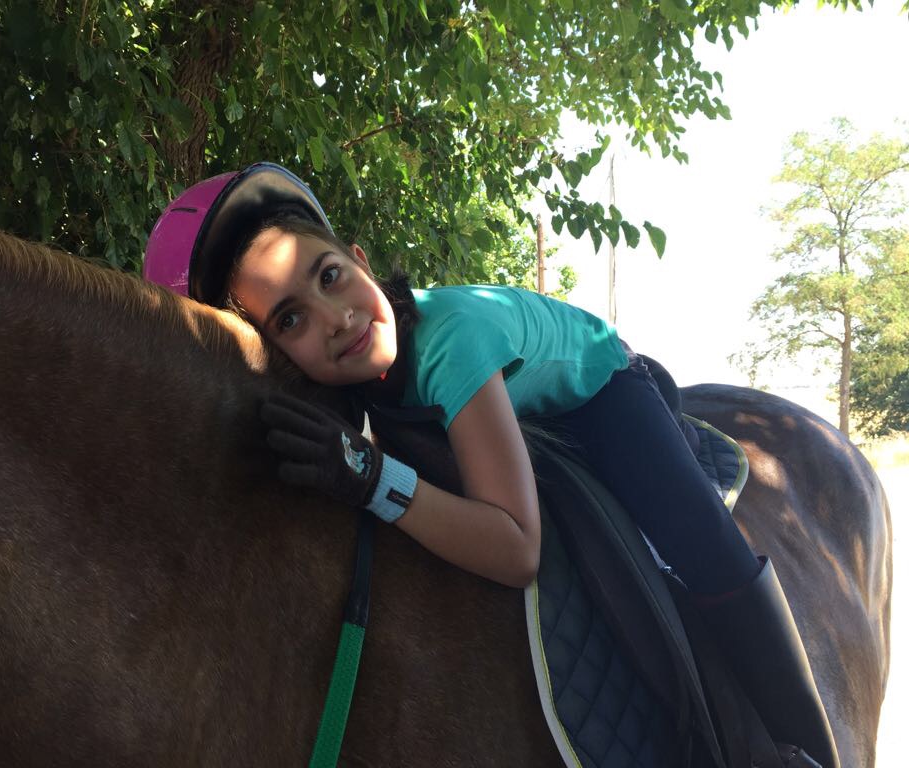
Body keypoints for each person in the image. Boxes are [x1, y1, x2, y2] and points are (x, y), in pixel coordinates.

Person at [144, 162, 839, 767]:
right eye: (290, 320)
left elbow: (516, 548)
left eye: (330, 276)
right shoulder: (353, 367)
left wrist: (371, 478)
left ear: (359, 259)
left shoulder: (453, 345)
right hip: (508, 389)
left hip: (599, 387)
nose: (335, 318)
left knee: (703, 544)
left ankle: (801, 746)